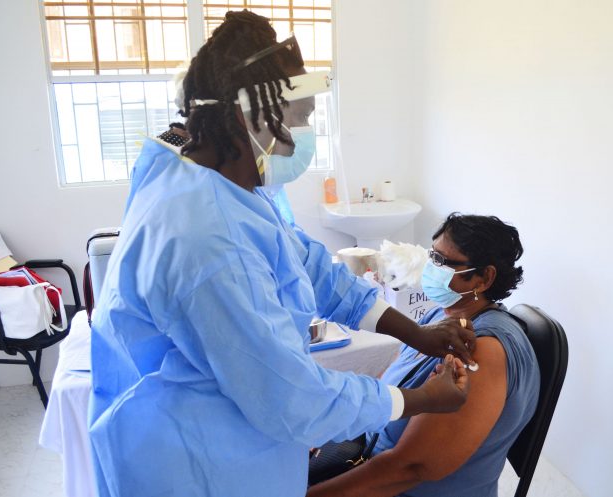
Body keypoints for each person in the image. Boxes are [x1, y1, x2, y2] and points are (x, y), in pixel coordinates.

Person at [88, 10, 477, 497]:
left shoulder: (204, 169)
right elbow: (289, 396)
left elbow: (310, 268)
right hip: (196, 462)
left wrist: (417, 333)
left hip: (204, 433)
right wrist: (416, 399)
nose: (306, 136)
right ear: (245, 118)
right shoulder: (208, 240)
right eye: (300, 119)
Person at [307, 213, 541, 497]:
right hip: (366, 457)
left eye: (442, 262)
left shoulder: (483, 349)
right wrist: (327, 429)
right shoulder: (440, 316)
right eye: (432, 256)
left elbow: (411, 468)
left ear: (484, 277)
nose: (431, 267)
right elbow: (385, 385)